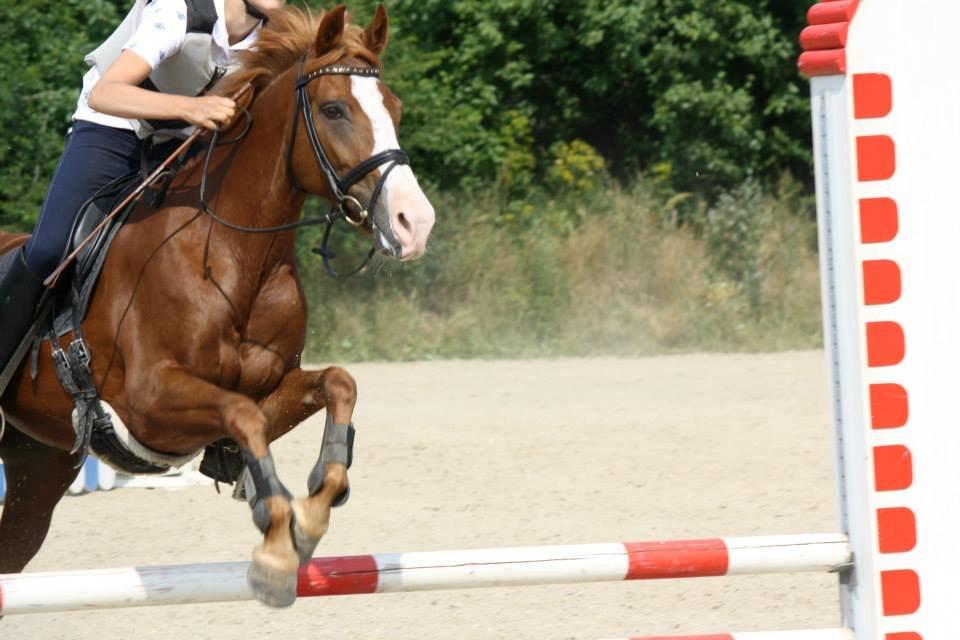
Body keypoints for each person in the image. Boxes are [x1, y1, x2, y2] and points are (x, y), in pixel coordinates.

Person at [0, 0, 286, 383]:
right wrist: (190, 107)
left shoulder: (275, 35)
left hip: (182, 137)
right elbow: (107, 93)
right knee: (51, 247)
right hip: (113, 125)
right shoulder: (181, 10)